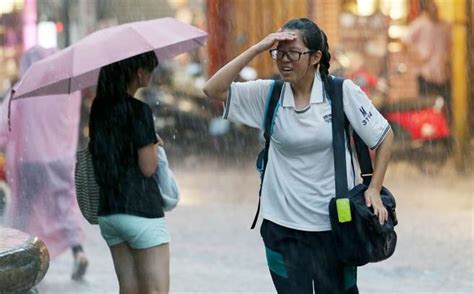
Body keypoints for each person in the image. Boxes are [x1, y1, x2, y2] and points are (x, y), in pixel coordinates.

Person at [203, 18, 394, 293]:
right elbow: (213, 89)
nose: (283, 61)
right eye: (278, 53)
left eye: (293, 53)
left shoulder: (340, 93)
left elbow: (384, 136)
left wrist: (374, 189)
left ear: (316, 57)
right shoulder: (269, 94)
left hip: (336, 227)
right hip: (281, 227)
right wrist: (257, 48)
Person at [0, 46, 88, 280]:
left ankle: (21, 265)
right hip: (60, 160)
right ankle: (78, 252)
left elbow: (3, 124)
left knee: (25, 213)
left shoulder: (23, 90)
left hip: (30, 161)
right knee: (65, 208)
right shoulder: (69, 90)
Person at [88, 51, 170, 293]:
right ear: (139, 73)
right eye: (151, 70)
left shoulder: (98, 109)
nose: (152, 76)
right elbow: (147, 168)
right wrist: (154, 144)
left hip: (110, 213)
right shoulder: (139, 111)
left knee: (129, 289)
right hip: (141, 210)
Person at [403, 0, 452, 119]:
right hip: (425, 73)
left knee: (442, 106)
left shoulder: (444, 26)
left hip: (440, 74)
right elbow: (405, 40)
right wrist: (416, 58)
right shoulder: (420, 24)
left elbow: (449, 46)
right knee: (427, 107)